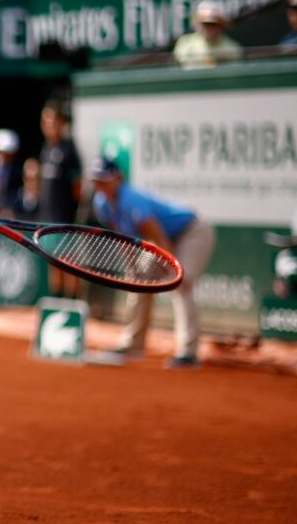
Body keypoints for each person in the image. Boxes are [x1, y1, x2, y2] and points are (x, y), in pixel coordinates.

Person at [89, 156, 215, 369]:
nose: (100, 186)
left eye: (104, 180)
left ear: (117, 179)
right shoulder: (101, 203)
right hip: (161, 239)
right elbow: (123, 238)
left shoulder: (131, 200)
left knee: (181, 282)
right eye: (96, 181)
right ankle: (132, 344)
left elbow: (159, 237)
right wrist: (133, 269)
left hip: (191, 233)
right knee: (138, 282)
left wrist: (172, 268)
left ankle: (188, 353)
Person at [37, 99, 82, 298]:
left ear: (61, 123)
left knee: (70, 261)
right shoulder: (45, 150)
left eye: (51, 121)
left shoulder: (69, 150)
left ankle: (71, 302)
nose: (48, 126)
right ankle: (57, 300)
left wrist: (74, 214)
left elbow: (77, 187)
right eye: (44, 122)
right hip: (48, 217)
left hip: (66, 218)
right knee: (53, 261)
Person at [173, 0, 242, 69]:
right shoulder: (185, 43)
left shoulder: (232, 47)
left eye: (212, 24)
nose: (208, 28)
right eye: (204, 24)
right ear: (196, 24)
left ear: (221, 26)